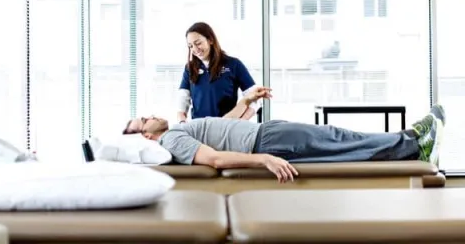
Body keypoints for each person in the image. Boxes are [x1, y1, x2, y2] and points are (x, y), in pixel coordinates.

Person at [124, 87, 446, 183]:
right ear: (146, 138)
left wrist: (246, 102)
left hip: (265, 134)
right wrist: (263, 158)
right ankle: (414, 142)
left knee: (338, 140)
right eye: (143, 120)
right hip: (265, 142)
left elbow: (222, 125)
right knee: (337, 138)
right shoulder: (170, 140)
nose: (150, 116)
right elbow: (215, 159)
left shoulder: (177, 130)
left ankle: (410, 144)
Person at [177, 21, 260, 123]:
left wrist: (241, 122)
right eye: (190, 46)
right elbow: (182, 100)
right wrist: (182, 122)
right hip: (199, 128)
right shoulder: (189, 68)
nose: (195, 49)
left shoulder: (233, 64)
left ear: (210, 40)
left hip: (226, 128)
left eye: (198, 43)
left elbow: (256, 98)